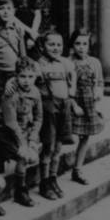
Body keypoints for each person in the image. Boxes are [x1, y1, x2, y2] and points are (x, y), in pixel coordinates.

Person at [33, 28, 79, 200]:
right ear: (43, 46)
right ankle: (44, 183)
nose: (56, 48)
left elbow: (72, 74)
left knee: (59, 146)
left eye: (59, 44)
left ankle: (53, 179)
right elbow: (29, 81)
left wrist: (72, 91)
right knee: (48, 147)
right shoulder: (39, 64)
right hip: (48, 108)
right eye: (51, 44)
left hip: (64, 108)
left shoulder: (65, 63)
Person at [0, 57, 43, 207]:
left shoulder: (35, 92)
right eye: (22, 76)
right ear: (16, 76)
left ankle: (21, 187)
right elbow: (11, 122)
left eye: (30, 76)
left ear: (35, 76)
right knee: (23, 155)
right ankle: (20, 191)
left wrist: (33, 138)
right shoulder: (11, 93)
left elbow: (39, 117)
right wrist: (23, 144)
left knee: (31, 155)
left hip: (24, 128)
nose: (26, 81)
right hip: (5, 130)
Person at [69, 28, 104, 185]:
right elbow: (65, 87)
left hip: (89, 103)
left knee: (85, 136)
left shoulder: (94, 62)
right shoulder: (68, 62)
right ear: (72, 45)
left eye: (85, 44)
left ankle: (77, 169)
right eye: (77, 43)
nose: (81, 47)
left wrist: (98, 92)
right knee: (65, 137)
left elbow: (99, 81)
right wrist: (73, 105)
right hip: (73, 103)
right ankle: (51, 174)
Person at [0, 0, 26, 119]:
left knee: (14, 105)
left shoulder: (17, 30)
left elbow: (23, 56)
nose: (5, 11)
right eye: (1, 8)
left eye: (8, 8)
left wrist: (19, 74)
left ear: (14, 11)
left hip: (14, 73)